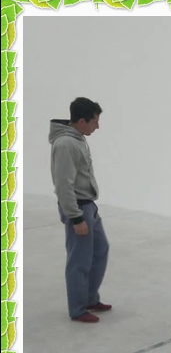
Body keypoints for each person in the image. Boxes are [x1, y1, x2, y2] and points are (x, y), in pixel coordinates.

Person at [49, 97, 111, 323]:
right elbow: (63, 185)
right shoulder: (66, 144)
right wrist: (76, 218)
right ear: (82, 121)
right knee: (79, 260)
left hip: (88, 206)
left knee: (100, 250)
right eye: (95, 121)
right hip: (78, 208)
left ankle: (89, 299)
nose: (97, 126)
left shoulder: (78, 139)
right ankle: (77, 309)